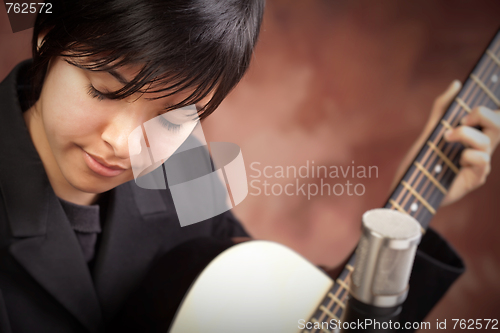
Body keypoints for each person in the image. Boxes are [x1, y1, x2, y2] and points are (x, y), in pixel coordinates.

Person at [0, 0, 498, 332]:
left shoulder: (185, 165)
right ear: (47, 35)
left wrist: (405, 218)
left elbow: (289, 317)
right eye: (105, 89)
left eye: (172, 120)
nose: (124, 144)